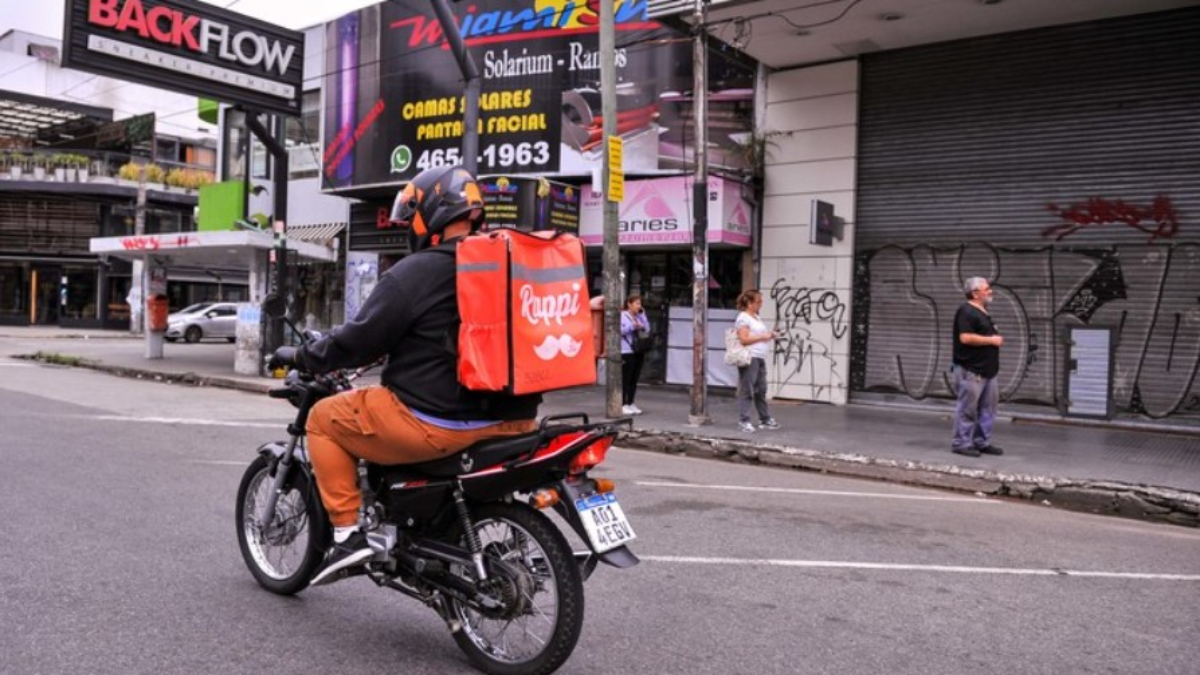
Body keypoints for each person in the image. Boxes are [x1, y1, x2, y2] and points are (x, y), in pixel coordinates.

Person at [268, 165, 540, 586]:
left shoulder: (416, 272)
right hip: (514, 420)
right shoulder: (508, 263)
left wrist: (304, 356)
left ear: (429, 211)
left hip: (437, 421)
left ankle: (349, 533)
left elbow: (358, 340)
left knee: (324, 419)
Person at [951, 276, 1004, 458]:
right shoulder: (966, 311)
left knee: (988, 409)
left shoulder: (983, 311)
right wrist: (992, 340)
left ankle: (982, 442)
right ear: (975, 293)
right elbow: (965, 338)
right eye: (986, 288)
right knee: (967, 408)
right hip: (971, 370)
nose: (990, 291)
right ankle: (961, 443)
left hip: (988, 371)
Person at [734, 289, 779, 433]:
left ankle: (764, 418)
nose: (760, 304)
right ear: (749, 302)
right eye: (758, 302)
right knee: (747, 389)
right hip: (750, 357)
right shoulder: (743, 318)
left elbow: (759, 334)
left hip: (760, 357)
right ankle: (744, 420)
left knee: (761, 389)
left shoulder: (756, 317)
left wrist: (770, 335)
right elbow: (744, 339)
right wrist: (763, 337)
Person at [619, 294, 651, 415]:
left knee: (634, 378)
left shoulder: (639, 316)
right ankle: (623, 403)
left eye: (640, 303)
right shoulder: (623, 316)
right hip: (627, 350)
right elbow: (620, 331)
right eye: (637, 303)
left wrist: (642, 317)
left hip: (638, 349)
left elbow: (647, 329)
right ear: (629, 304)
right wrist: (632, 326)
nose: (639, 306)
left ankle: (631, 402)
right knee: (626, 377)